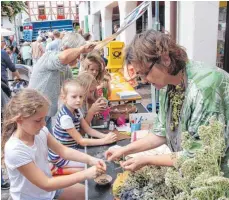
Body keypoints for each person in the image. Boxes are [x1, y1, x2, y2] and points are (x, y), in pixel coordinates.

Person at [105, 30, 229, 172]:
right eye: (140, 75)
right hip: (192, 169)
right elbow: (160, 133)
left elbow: (201, 154)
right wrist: (124, 150)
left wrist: (147, 160)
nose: (144, 80)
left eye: (145, 72)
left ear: (165, 59)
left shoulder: (205, 87)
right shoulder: (167, 84)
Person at [2, 88, 106, 200]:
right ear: (19, 119)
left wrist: (91, 160)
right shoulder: (15, 150)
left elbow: (63, 151)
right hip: (34, 196)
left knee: (89, 194)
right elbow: (46, 183)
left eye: (44, 119)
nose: (43, 124)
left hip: (49, 190)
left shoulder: (40, 132)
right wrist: (86, 174)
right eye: (38, 120)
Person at [28, 33, 95, 133]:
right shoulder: (49, 57)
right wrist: (81, 49)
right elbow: (63, 58)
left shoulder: (66, 69)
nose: (78, 59)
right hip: (33, 114)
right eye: (77, 54)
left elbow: (74, 87)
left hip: (46, 114)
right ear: (66, 48)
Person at [48, 80, 117, 169]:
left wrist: (105, 136)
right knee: (95, 165)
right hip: (61, 157)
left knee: (98, 159)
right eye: (74, 97)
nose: (78, 100)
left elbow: (88, 129)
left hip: (72, 150)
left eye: (81, 97)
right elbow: (81, 141)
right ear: (64, 98)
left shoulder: (76, 110)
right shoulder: (65, 118)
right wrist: (104, 141)